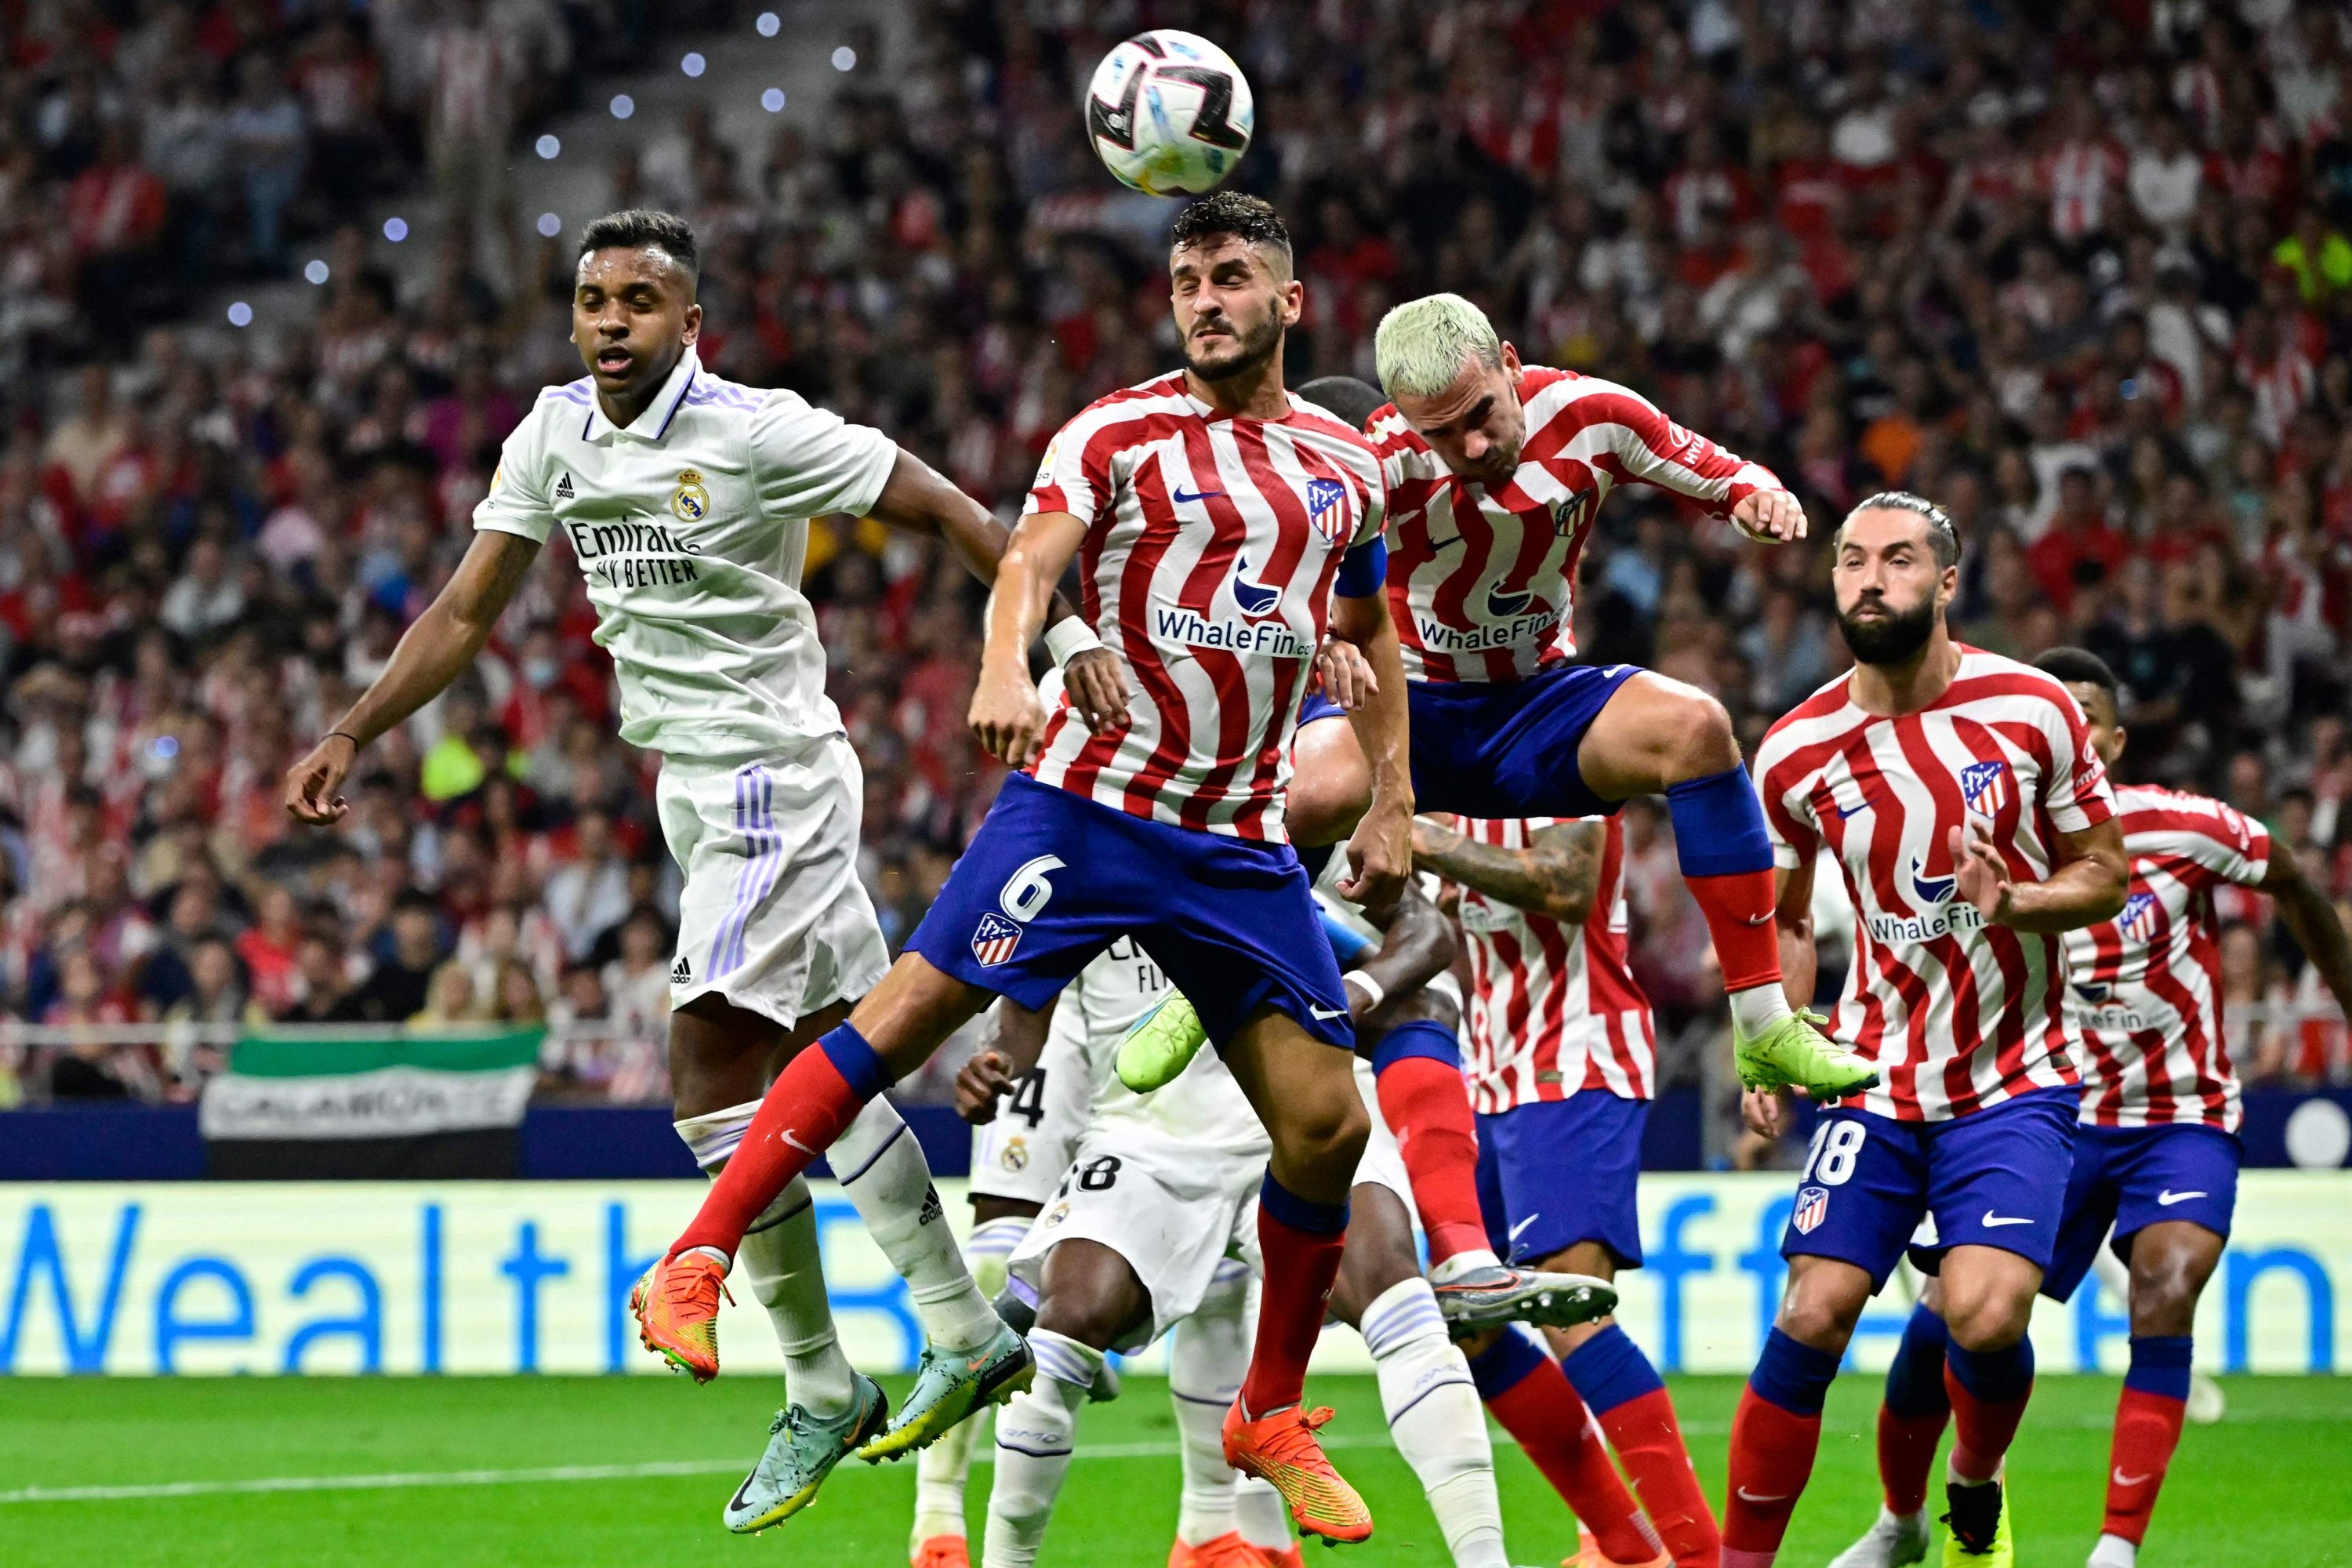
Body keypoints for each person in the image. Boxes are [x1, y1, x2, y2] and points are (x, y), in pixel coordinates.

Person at [282, 209, 1127, 1534]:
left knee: (703, 1078)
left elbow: (958, 510)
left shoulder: (759, 429)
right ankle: (962, 1328)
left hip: (771, 775)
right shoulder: (553, 432)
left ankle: (816, 1379)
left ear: (691, 324)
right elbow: (463, 609)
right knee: (831, 1083)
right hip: (696, 787)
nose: (611, 320)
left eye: (640, 300)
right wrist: (354, 729)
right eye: (594, 299)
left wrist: (1055, 638)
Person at [630, 191, 1414, 1544]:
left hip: (1233, 841)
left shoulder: (1347, 466)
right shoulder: (1115, 431)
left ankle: (1267, 1413)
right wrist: (1006, 661)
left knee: (1329, 1124)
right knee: (900, 1021)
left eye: (1232, 277)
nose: (1205, 299)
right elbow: (1028, 562)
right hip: (1092, 807)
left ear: (1290, 301)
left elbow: (1371, 632)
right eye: (1187, 279)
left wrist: (1390, 797)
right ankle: (699, 1252)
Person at [1827, 646, 2352, 1568]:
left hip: (2179, 1113)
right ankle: (1901, 1519)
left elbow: (2296, 877)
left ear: (2108, 738)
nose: (2069, 728)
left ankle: (2115, 1547)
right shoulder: (1967, 852)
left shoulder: (2180, 827)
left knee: (2166, 1286)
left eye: (2085, 715)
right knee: (1951, 1316)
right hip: (2044, 1114)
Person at [1119, 375, 1620, 1332]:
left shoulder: (1418, 562)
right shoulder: (1292, 548)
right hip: (1270, 830)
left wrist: (1400, 804)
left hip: (1386, 870)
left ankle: (1462, 1255)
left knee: (1413, 968)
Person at [1726, 492, 2129, 1568]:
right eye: (1851, 560)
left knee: (1984, 1316)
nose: (1869, 578)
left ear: (1946, 583)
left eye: (1898, 560)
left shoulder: (2034, 709)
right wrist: (1775, 1030)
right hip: (1875, 1071)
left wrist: (2025, 905)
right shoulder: (1796, 749)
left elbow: (2107, 871)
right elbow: (1782, 912)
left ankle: (1972, 1498)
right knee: (1812, 1313)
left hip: (2013, 1073)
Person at [1421, 811, 1693, 1568]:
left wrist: (1433, 843)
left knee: (1570, 1308)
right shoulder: (1444, 777)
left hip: (1577, 1059)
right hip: (1487, 1069)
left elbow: (1567, 885)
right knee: (1466, 1319)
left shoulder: (1557, 755)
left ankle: (1691, 1553)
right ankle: (1625, 1548)